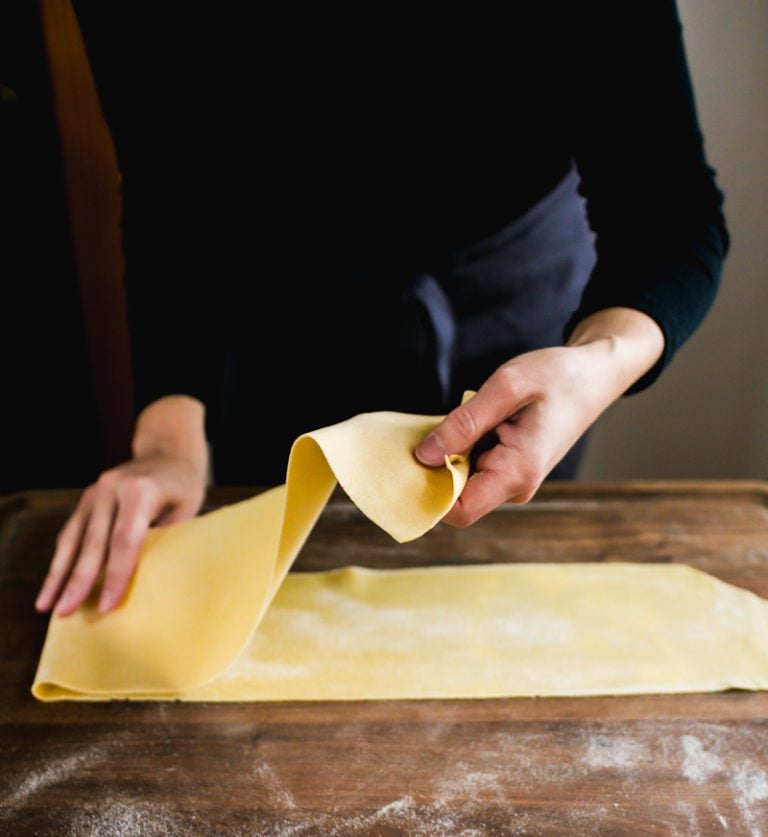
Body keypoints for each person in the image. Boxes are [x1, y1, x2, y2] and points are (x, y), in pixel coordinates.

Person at [35, 3, 729, 618]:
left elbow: (670, 208)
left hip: (520, 296)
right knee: (291, 604)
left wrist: (595, 362)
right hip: (283, 306)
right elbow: (170, 180)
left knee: (497, 606)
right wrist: (168, 440)